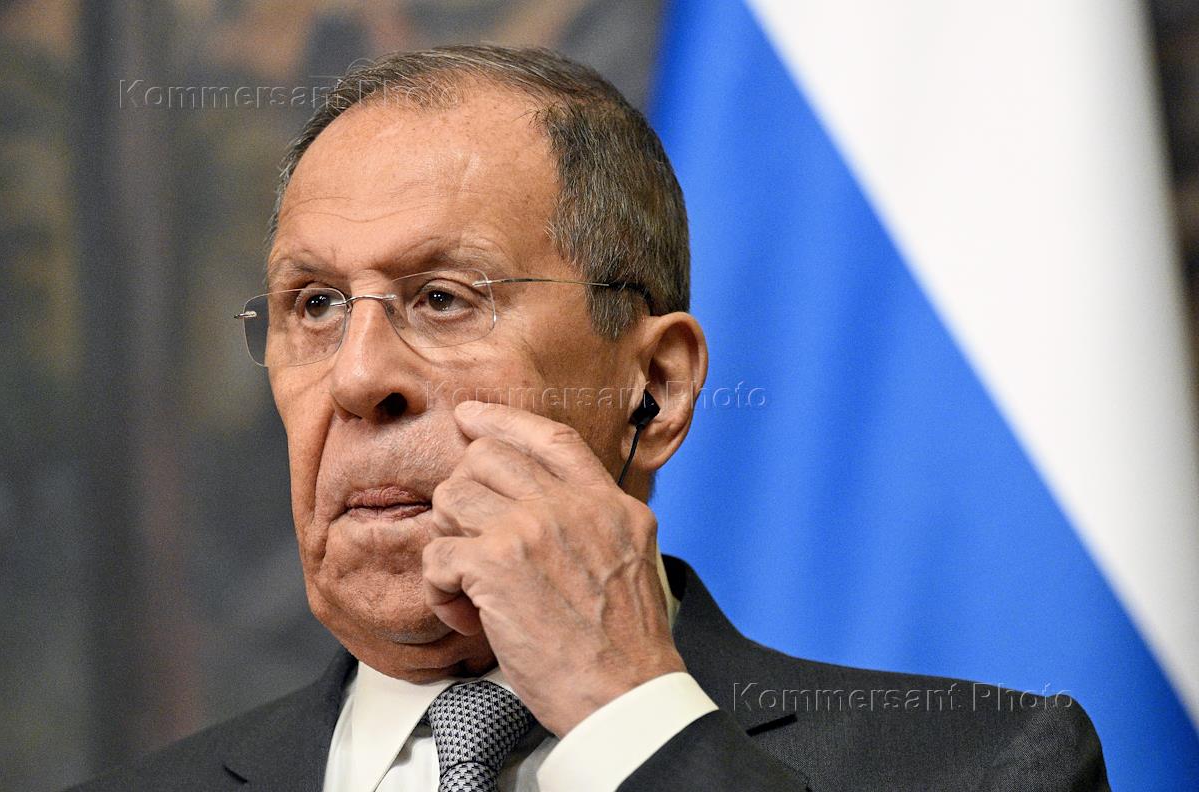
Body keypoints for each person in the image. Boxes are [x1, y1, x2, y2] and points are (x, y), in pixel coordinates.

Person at [72, 45, 1109, 792]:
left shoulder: (988, 765)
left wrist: (632, 719)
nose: (357, 378)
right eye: (314, 306)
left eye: (444, 298)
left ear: (654, 389)